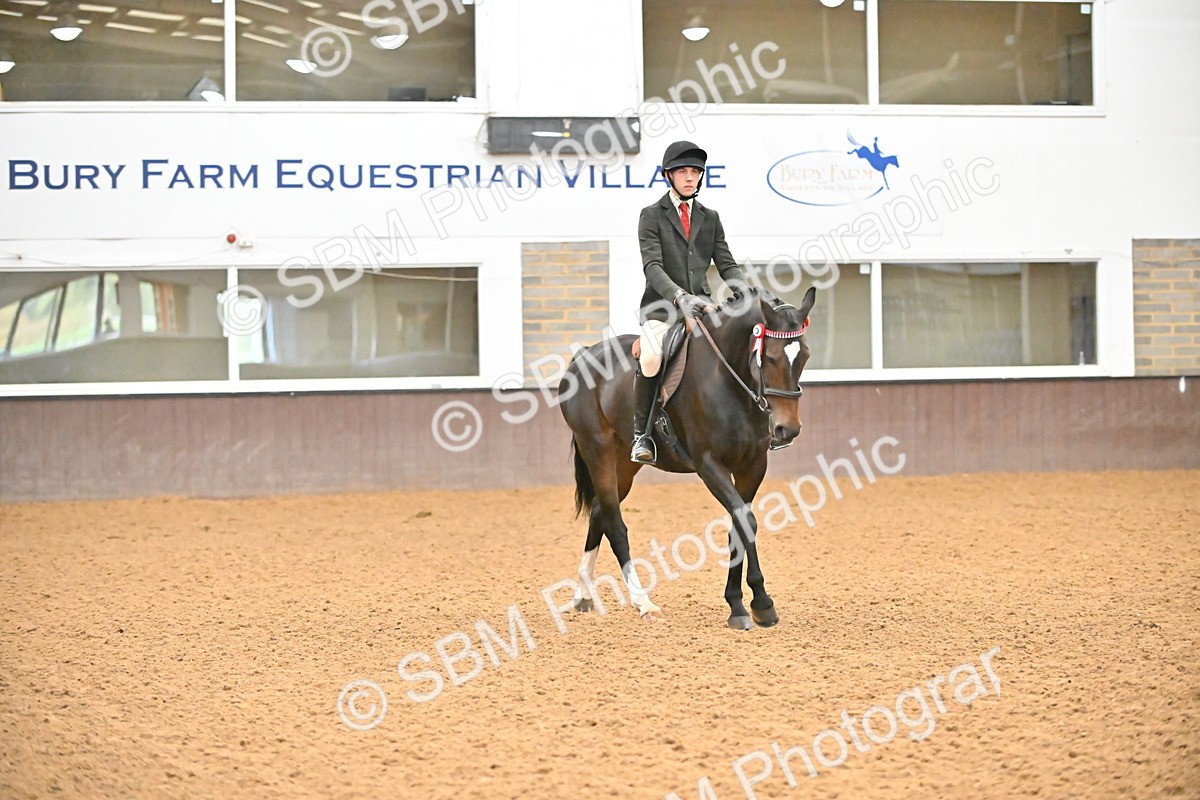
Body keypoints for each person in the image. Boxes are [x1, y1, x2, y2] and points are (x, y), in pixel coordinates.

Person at [630, 140, 748, 464]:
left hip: (703, 306)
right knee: (651, 357)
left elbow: (726, 263)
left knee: (737, 345)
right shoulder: (651, 215)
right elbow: (652, 266)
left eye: (695, 171)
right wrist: (678, 295)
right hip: (662, 308)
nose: (690, 177)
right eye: (682, 171)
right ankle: (641, 435)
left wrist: (745, 291)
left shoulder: (710, 218)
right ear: (668, 175)